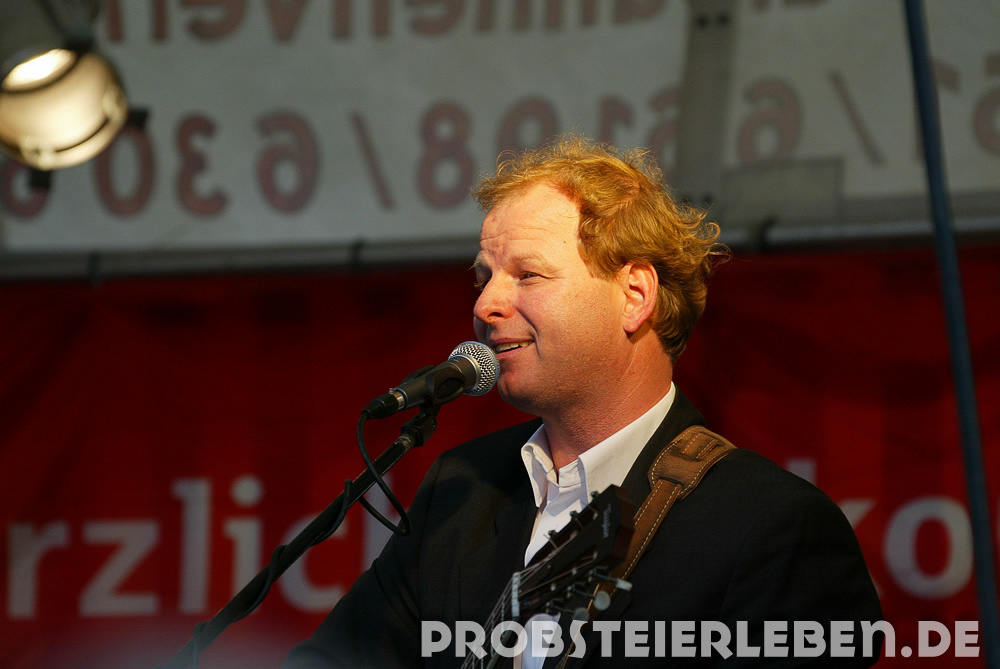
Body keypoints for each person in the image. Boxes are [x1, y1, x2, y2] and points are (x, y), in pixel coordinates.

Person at [284, 135, 882, 667]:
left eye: (528, 275)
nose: (486, 305)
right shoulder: (462, 489)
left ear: (635, 295)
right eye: (484, 276)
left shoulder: (773, 526)